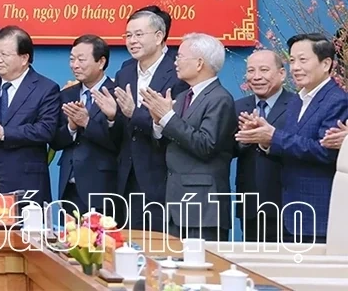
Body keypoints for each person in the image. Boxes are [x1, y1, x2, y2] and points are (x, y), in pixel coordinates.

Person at [236, 32, 348, 245]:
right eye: (292, 60)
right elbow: (291, 148)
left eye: (303, 60)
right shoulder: (298, 100)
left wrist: (273, 136)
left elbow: (326, 152)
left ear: (326, 64)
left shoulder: (337, 101)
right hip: (288, 213)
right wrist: (264, 139)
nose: (295, 67)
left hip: (315, 213)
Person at [92, 7, 186, 231]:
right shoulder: (125, 73)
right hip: (127, 177)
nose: (132, 41)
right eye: (128, 36)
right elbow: (122, 129)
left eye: (138, 35)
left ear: (159, 36)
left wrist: (134, 113)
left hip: (161, 175)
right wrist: (114, 117)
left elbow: (175, 129)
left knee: (161, 248)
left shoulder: (177, 73)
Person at [145, 33, 236, 242]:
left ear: (199, 63)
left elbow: (205, 145)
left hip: (203, 205)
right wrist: (158, 121)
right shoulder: (183, 97)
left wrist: (168, 117)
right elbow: (172, 139)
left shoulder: (219, 98)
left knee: (202, 268)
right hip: (177, 200)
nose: (175, 62)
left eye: (180, 56)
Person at [0, 25, 60, 205]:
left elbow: (45, 130)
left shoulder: (46, 89)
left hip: (25, 182)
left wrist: (4, 132)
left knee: (25, 233)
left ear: (24, 58)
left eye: (5, 55)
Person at [50, 34, 119, 219]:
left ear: (101, 61)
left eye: (81, 59)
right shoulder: (67, 94)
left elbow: (119, 142)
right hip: (69, 186)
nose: (75, 65)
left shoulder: (116, 93)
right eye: (72, 59)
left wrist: (87, 123)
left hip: (102, 186)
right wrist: (72, 127)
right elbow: (55, 141)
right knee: (69, 242)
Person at [233, 49, 298, 241]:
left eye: (263, 70)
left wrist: (267, 140)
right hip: (251, 206)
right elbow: (225, 150)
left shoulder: (297, 105)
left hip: (287, 204)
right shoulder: (238, 107)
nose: (257, 77)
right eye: (251, 71)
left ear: (282, 73)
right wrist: (244, 139)